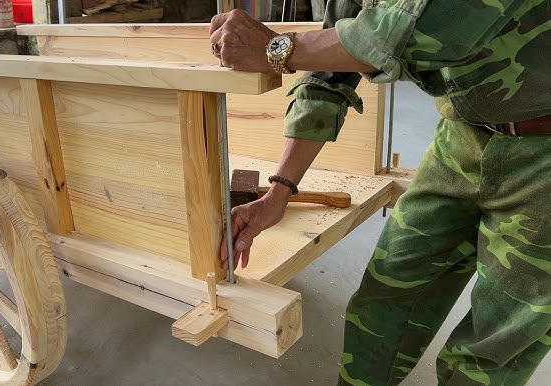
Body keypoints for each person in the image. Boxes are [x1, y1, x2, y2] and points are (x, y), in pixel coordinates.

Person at [210, 1, 551, 385]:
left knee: (495, 344)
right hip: (464, 134)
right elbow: (330, 72)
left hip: (544, 151)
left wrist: (278, 48)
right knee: (385, 296)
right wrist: (279, 192)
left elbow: (426, 33)